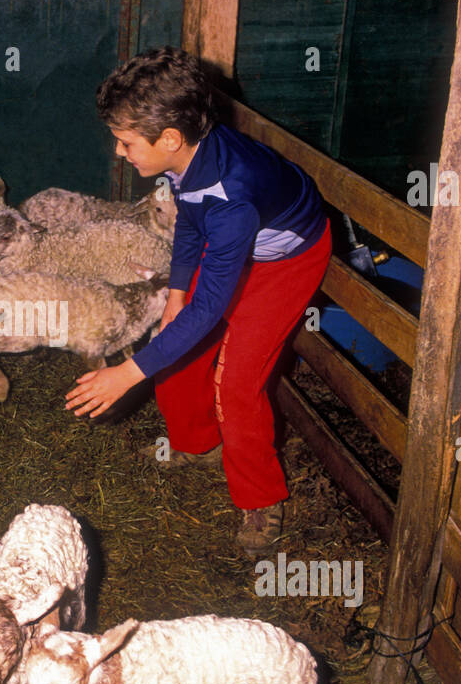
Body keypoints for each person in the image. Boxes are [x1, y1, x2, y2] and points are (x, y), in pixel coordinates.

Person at [65, 47, 332, 555]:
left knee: (236, 380)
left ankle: (261, 498)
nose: (118, 152)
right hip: (238, 236)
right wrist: (175, 293)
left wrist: (127, 373)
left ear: (168, 138)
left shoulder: (229, 197)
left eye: (124, 142)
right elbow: (190, 219)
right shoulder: (190, 156)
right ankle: (197, 443)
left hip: (287, 258)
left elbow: (212, 306)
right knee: (176, 338)